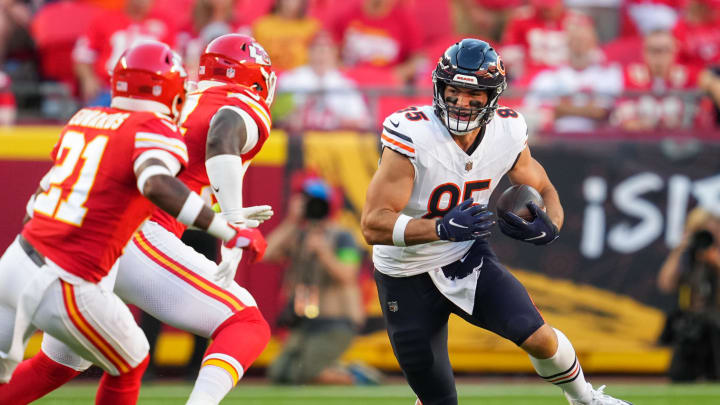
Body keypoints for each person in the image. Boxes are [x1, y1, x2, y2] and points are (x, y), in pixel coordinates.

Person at [0, 34, 276, 405]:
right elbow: (208, 146)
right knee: (245, 322)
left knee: (62, 362)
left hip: (42, 250)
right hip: (129, 239)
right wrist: (230, 224)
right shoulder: (226, 107)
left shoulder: (92, 116)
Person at [360, 38, 631, 405]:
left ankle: (585, 399)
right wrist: (438, 227)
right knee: (438, 398)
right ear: (440, 88)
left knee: (538, 336)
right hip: (404, 275)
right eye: (454, 91)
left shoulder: (508, 131)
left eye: (475, 95)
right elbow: (373, 225)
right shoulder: (413, 135)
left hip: (464, 256)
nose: (461, 102)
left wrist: (551, 223)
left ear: (493, 97)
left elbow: (545, 188)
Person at [264, 176, 367, 385]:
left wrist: (323, 252)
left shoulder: (343, 237)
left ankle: (356, 376)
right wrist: (291, 222)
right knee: (279, 374)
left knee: (301, 374)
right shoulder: (299, 235)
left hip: (336, 322)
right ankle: (336, 369)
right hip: (305, 322)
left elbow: (348, 276)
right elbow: (265, 254)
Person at [657, 207, 720, 381]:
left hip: (716, 327)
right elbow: (666, 284)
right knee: (679, 377)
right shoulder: (686, 258)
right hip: (691, 327)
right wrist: (680, 249)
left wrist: (715, 262)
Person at [72, 0, 176, 106]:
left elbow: (173, 61)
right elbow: (83, 55)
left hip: (149, 92)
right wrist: (88, 78)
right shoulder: (105, 19)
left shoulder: (164, 23)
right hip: (109, 88)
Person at [277, 30, 370, 131]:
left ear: (334, 53)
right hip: (297, 140)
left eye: (326, 50)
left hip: (334, 141)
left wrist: (334, 121)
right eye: (317, 50)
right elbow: (276, 117)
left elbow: (362, 121)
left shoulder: (346, 84)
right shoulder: (290, 79)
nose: (321, 55)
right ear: (308, 52)